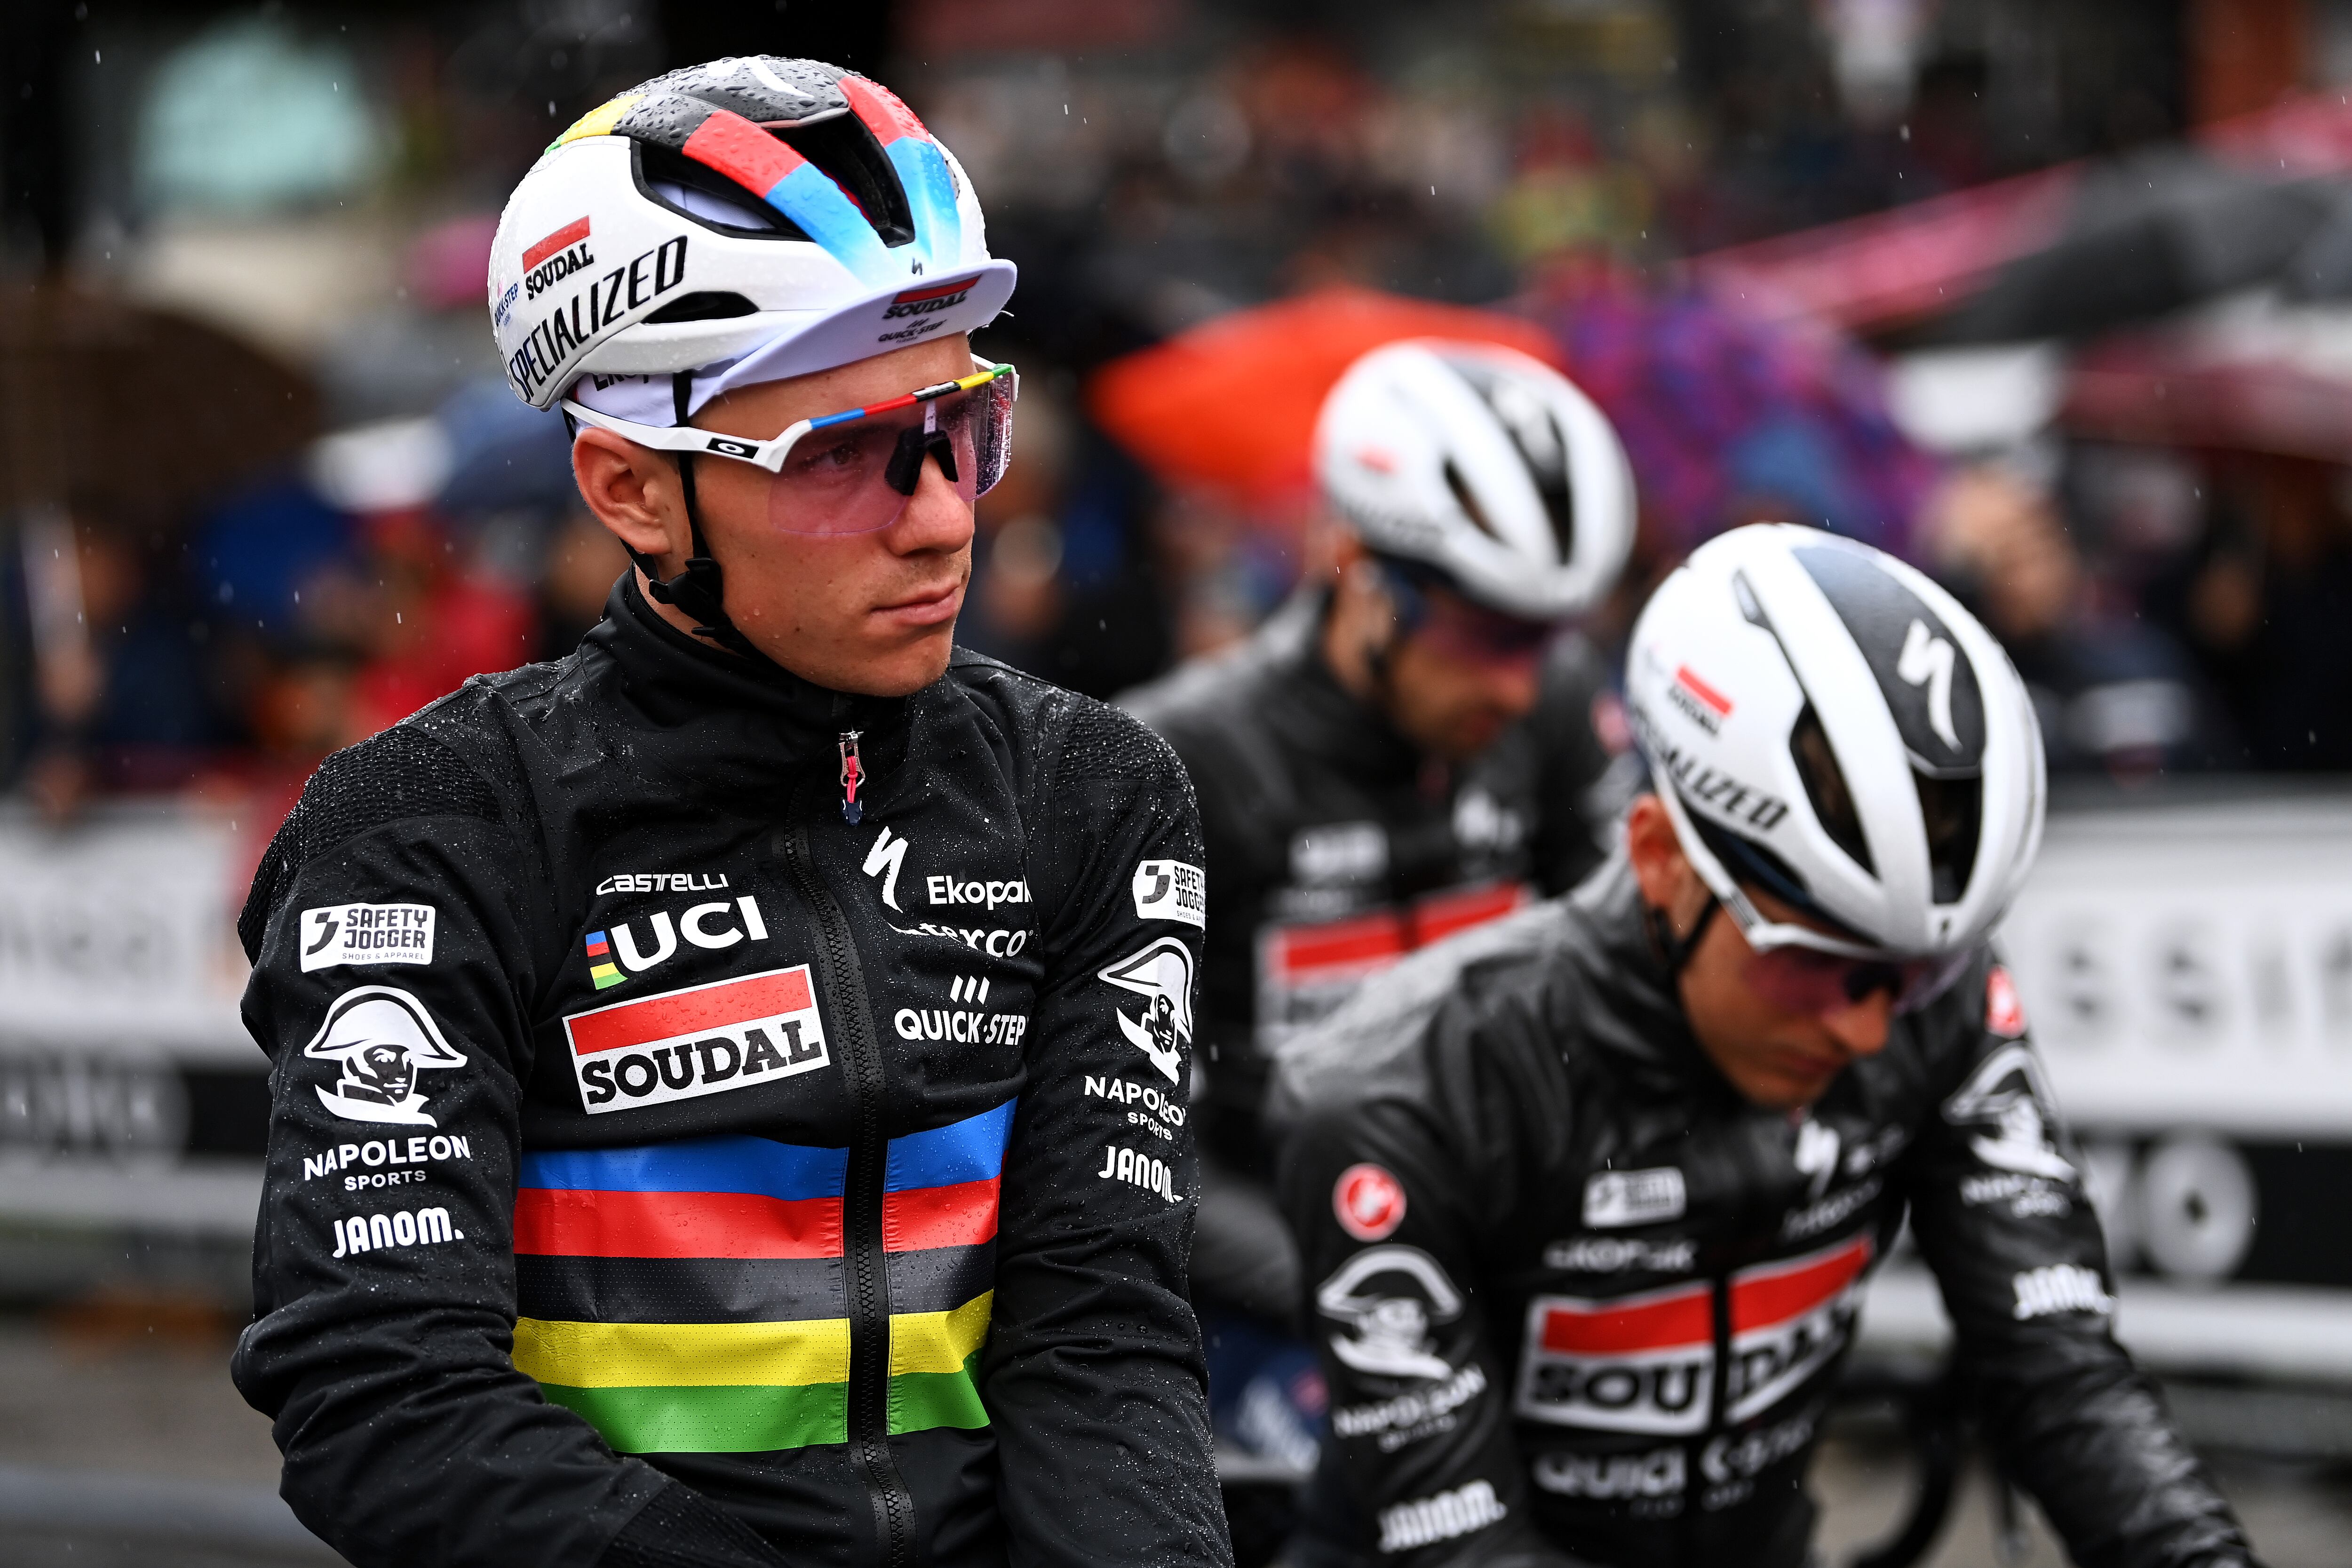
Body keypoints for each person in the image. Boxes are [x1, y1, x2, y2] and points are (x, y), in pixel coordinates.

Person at [231, 57, 1231, 1568]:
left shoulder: (1092, 791)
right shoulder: (430, 828)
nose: (945, 511)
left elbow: (1099, 1334)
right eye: (840, 456)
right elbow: (384, 1391)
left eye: (961, 423)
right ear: (633, 490)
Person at [1271, 523, 2259, 1568]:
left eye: (1912, 970)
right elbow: (1465, 1549)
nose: (1868, 1022)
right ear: (1661, 861)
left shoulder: (1937, 995)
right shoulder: (1408, 1088)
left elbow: (2061, 1373)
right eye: (1816, 958)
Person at [1122, 340, 1636, 1337]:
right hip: (1267, 1282)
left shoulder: (1555, 707)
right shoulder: (1178, 759)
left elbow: (1618, 1005)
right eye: (1481, 632)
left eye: (1545, 635)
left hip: (1491, 1255)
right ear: (1352, 563)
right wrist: (1359, 1299)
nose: (1517, 687)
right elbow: (1125, 1141)